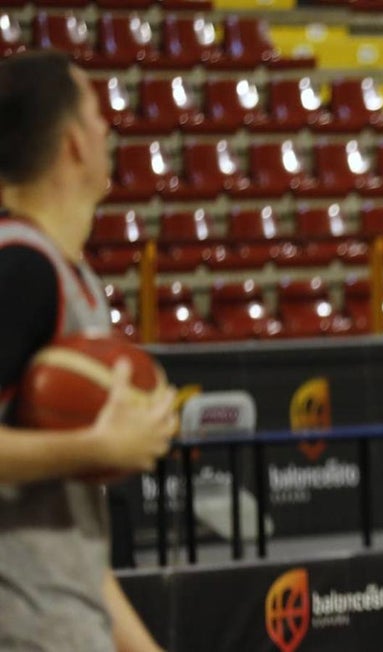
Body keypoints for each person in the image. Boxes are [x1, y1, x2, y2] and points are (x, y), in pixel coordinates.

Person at [0, 50, 179, 651]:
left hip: (66, 624)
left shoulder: (66, 272)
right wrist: (96, 445)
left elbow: (74, 555)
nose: (108, 128)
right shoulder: (21, 269)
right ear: (76, 142)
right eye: (98, 114)